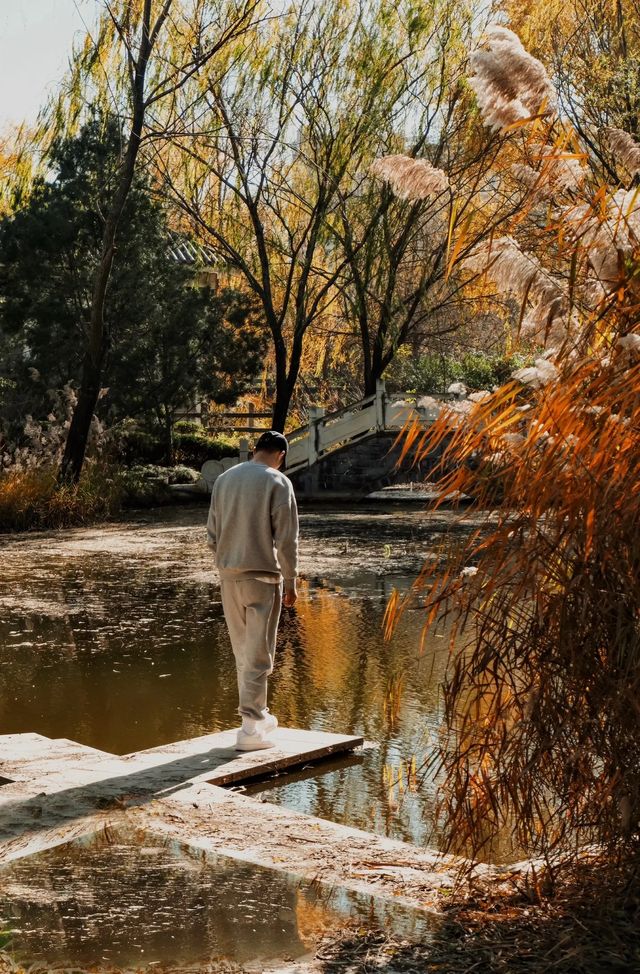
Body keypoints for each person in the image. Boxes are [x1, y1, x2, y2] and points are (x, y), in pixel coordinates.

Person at [206, 430, 299, 751]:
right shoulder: (277, 482)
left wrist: (227, 563)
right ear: (281, 455)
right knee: (259, 653)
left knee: (243, 650)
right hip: (263, 579)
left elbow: (212, 534)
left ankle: (259, 716)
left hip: (229, 577)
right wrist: (292, 580)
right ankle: (249, 730)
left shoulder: (224, 480)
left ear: (255, 449)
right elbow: (286, 540)